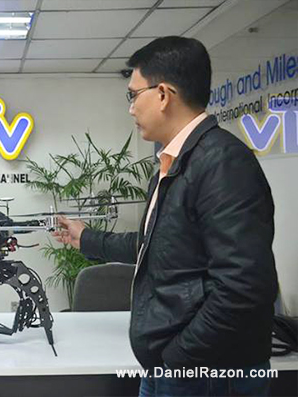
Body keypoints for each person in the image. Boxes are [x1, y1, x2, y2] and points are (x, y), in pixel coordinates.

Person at [55, 36, 278, 396]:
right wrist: (86, 238)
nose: (130, 109)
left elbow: (244, 288)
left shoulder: (222, 163)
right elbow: (158, 246)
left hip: (204, 374)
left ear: (162, 94)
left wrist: (177, 359)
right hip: (176, 367)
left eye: (133, 94)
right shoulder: (174, 164)